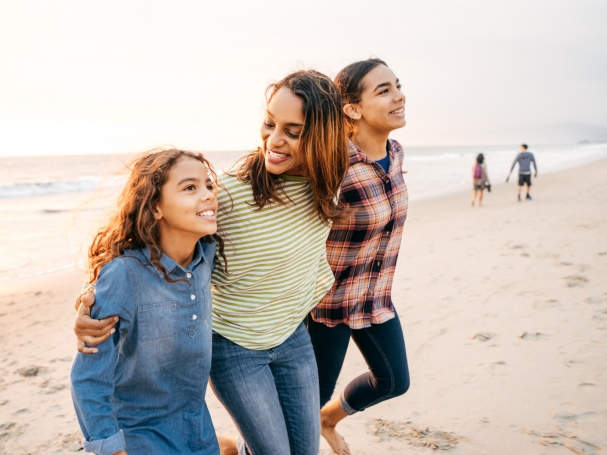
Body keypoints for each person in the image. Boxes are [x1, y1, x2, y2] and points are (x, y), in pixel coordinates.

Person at [73, 70, 350, 455]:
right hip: (236, 346)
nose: (273, 139)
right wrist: (92, 297)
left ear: (323, 136)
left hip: (293, 337)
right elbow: (157, 237)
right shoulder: (230, 193)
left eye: (293, 130)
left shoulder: (331, 179)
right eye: (269, 123)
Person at [69, 148, 223, 454]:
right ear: (155, 207)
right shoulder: (124, 275)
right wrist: (111, 448)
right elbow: (87, 378)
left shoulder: (206, 257)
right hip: (139, 436)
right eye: (190, 187)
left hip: (199, 431)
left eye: (209, 185)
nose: (207, 195)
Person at [307, 58, 411, 455]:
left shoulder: (396, 154)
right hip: (325, 309)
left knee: (393, 381)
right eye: (383, 90)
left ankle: (327, 421)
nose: (399, 95)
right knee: (297, 410)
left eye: (398, 85)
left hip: (374, 299)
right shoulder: (333, 166)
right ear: (352, 108)